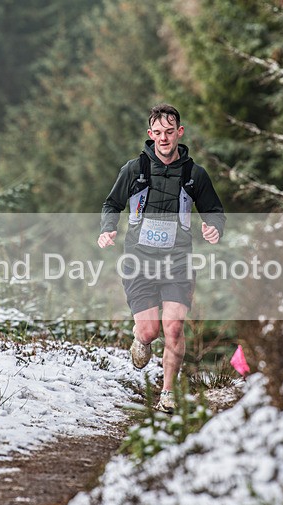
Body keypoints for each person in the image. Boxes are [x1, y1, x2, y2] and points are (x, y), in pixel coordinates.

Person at [97, 103, 225, 413]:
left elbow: (214, 211)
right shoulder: (134, 170)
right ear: (150, 134)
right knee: (150, 331)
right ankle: (140, 339)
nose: (164, 138)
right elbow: (111, 204)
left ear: (179, 133)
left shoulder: (195, 174)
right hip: (139, 261)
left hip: (178, 262)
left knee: (174, 326)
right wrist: (107, 230)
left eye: (170, 132)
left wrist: (214, 229)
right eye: (158, 133)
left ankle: (168, 392)